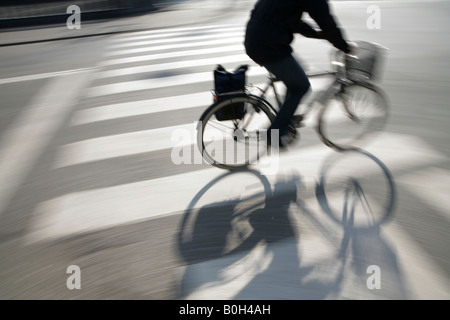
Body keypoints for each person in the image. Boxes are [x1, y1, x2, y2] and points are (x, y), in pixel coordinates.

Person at [244, 0, 354, 148]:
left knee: (298, 72)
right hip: (269, 46)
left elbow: (290, 20)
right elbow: (325, 21)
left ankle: (285, 118)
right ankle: (276, 133)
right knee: (300, 86)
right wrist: (344, 46)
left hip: (255, 39)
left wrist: (318, 34)